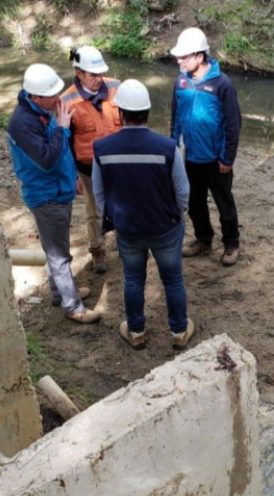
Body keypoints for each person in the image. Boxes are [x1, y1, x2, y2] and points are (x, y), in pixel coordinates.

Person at [92, 79, 195, 350]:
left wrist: (115, 218)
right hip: (165, 227)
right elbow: (183, 191)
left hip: (128, 229)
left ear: (120, 113)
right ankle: (179, 332)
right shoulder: (167, 147)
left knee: (134, 279)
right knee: (172, 279)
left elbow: (99, 194)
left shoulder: (102, 149)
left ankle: (136, 331)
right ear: (148, 112)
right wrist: (176, 216)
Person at [7, 63, 101, 324]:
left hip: (59, 188)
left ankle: (60, 292)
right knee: (59, 255)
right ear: (35, 96)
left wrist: (72, 177)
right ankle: (73, 307)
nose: (58, 98)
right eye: (52, 95)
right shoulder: (23, 123)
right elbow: (47, 158)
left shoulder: (42, 109)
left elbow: (60, 151)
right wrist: (62, 126)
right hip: (46, 195)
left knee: (55, 248)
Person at [170, 27, 243, 267]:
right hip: (189, 157)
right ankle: (203, 240)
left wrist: (227, 158)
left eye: (184, 57)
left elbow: (232, 124)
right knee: (194, 202)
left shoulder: (223, 85)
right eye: (178, 57)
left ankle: (231, 244)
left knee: (224, 204)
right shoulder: (181, 82)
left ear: (199, 57)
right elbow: (175, 117)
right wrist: (173, 150)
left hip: (216, 160)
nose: (179, 60)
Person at [60, 46, 121, 274]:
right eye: (93, 75)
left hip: (118, 163)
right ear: (79, 72)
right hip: (88, 167)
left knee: (122, 203)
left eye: (100, 73)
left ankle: (124, 242)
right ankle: (97, 250)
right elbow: (66, 143)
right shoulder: (66, 100)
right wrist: (73, 174)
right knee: (94, 211)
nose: (99, 79)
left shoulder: (116, 86)